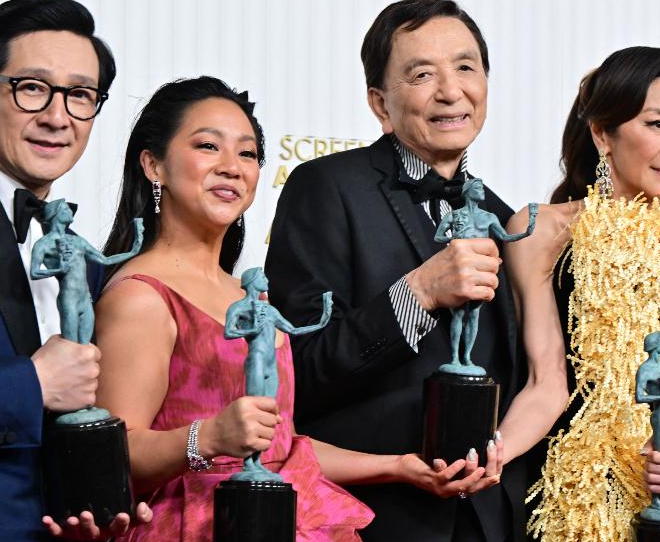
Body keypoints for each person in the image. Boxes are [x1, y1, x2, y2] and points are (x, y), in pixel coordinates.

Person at [96, 76, 487, 541]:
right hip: (193, 527)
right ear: (152, 164)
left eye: (246, 154)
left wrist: (399, 466)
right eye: (207, 147)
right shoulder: (140, 295)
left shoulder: (251, 296)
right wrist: (209, 437)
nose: (231, 167)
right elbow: (112, 455)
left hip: (283, 517)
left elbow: (283, 447)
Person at [265, 0, 524, 540]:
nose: (451, 90)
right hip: (371, 517)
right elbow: (301, 375)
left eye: (465, 67)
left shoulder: (504, 216)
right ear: (380, 103)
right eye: (422, 74)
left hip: (490, 519)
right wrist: (419, 293)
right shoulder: (326, 188)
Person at [503, 47, 660, 541]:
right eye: (658, 124)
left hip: (658, 505)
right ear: (601, 134)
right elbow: (546, 384)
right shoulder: (540, 231)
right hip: (552, 499)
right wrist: (487, 457)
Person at [0, 0, 149, 540]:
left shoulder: (83, 256)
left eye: (80, 95)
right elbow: (40, 389)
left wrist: (102, 499)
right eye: (32, 87)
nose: (58, 117)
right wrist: (31, 383)